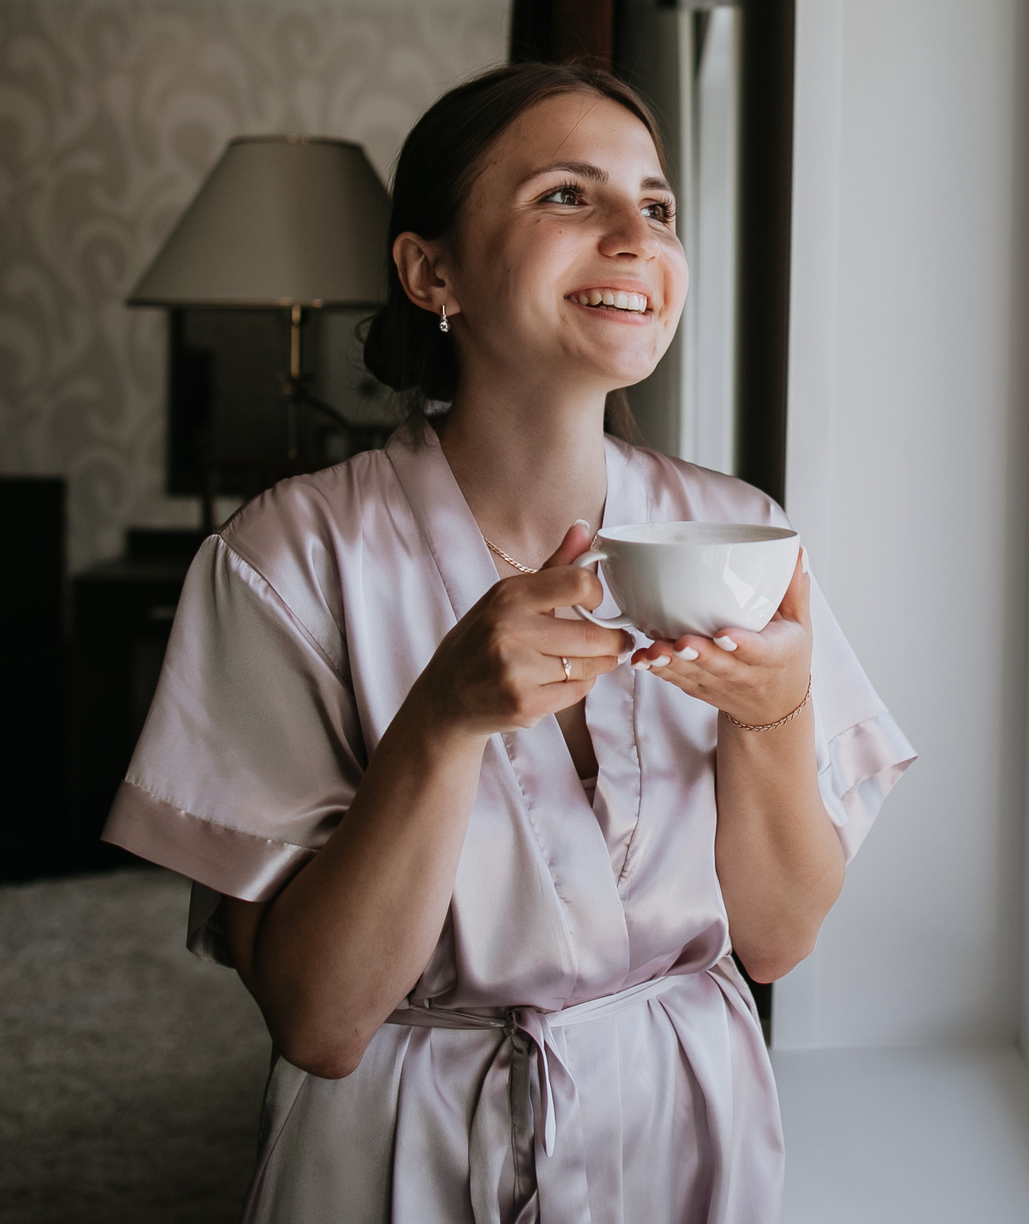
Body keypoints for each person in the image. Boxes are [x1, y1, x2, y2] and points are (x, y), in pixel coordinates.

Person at [102, 61, 915, 1222]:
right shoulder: (288, 557)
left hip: (684, 1135)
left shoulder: (736, 542)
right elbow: (320, 1025)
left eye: (659, 205)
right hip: (400, 1154)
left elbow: (777, 942)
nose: (638, 235)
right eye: (569, 197)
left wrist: (774, 715)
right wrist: (440, 722)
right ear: (432, 272)